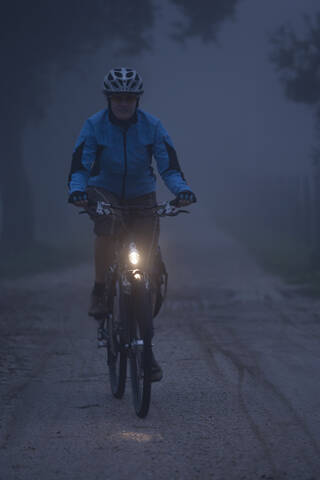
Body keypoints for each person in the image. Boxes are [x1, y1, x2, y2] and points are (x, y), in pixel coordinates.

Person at [68, 67, 196, 381]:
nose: (123, 103)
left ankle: (145, 348)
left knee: (150, 263)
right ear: (109, 99)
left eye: (129, 98)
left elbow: (169, 166)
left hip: (141, 193)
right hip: (104, 189)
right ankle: (101, 290)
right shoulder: (94, 126)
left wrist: (181, 191)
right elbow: (80, 165)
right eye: (117, 98)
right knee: (108, 225)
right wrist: (77, 191)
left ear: (137, 100)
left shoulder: (152, 126)